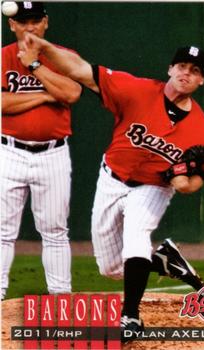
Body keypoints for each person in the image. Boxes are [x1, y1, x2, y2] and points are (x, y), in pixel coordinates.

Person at [20, 34, 204, 342]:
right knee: (111, 267)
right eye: (182, 65)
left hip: (153, 188)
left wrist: (181, 178)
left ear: (202, 81)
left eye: (195, 71)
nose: (186, 73)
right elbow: (80, 70)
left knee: (136, 238)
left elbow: (193, 184)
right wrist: (44, 48)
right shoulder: (137, 91)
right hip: (111, 179)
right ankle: (166, 260)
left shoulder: (203, 131)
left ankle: (130, 317)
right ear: (170, 69)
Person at [1, 2, 82, 300]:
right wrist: (47, 94)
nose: (30, 27)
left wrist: (36, 65)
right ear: (12, 25)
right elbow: (1, 104)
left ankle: (61, 298)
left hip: (53, 154)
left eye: (35, 20)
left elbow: (72, 93)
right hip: (9, 153)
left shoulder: (63, 57)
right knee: (2, 232)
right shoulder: (3, 57)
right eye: (23, 22)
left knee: (55, 230)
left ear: (45, 22)